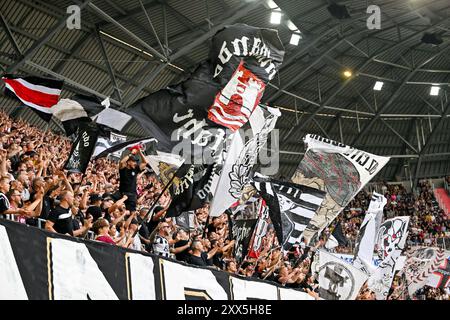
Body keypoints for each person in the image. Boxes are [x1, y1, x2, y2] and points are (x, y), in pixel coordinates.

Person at [118, 148, 148, 212]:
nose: (135, 163)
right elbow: (121, 162)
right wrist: (131, 154)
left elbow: (145, 162)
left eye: (135, 162)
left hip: (132, 195)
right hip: (122, 193)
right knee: (120, 210)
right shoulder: (123, 169)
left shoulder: (135, 169)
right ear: (128, 162)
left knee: (132, 213)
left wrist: (140, 152)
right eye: (133, 161)